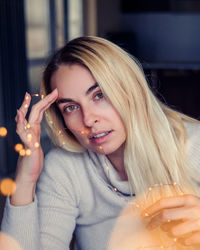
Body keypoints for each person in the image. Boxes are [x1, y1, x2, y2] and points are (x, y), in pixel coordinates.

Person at [1, 36, 200, 250]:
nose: (88, 119)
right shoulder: (64, 167)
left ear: (129, 89)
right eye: (70, 107)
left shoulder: (193, 146)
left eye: (99, 95)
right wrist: (26, 179)